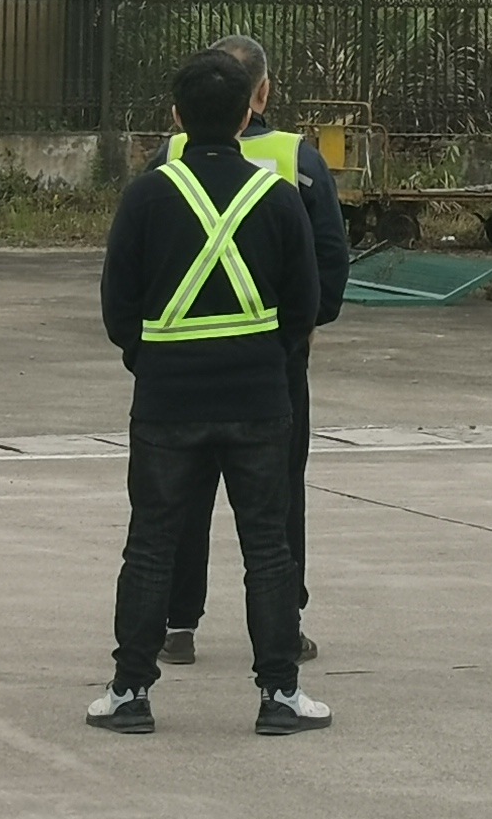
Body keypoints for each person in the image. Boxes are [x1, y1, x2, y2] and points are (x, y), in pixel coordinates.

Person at [90, 46, 327, 736]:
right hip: (258, 401)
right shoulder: (278, 196)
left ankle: (131, 693)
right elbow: (303, 305)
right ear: (252, 107)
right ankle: (279, 696)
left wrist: (152, 358)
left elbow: (117, 307)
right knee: (268, 550)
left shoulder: (147, 195)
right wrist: (264, 357)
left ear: (177, 117)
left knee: (152, 544)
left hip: (167, 404)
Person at [159, 34, 350, 671]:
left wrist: (148, 344)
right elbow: (329, 258)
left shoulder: (170, 156)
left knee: (179, 494)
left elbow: (139, 260)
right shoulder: (296, 157)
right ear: (261, 94)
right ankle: (282, 625)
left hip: (180, 358)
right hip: (271, 362)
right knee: (276, 497)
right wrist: (300, 333)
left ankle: (176, 624)